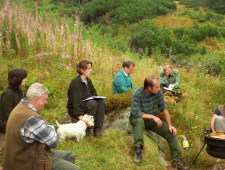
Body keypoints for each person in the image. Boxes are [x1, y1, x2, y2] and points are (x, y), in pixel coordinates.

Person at [3, 83, 80, 170]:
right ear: (36, 100)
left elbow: (46, 137)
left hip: (26, 153)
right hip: (28, 161)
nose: (46, 102)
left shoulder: (21, 107)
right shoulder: (30, 118)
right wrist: (48, 130)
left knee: (70, 155)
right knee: (75, 169)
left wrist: (44, 135)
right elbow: (53, 141)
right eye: (45, 99)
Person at [129, 75, 189, 170]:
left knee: (171, 133)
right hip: (137, 118)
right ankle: (138, 152)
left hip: (151, 121)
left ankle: (177, 160)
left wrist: (170, 126)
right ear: (149, 87)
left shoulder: (158, 92)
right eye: (156, 87)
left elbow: (164, 109)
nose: (159, 88)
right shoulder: (138, 93)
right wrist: (153, 117)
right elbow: (136, 113)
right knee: (139, 121)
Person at [67, 59, 106, 138]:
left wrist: (93, 98)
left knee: (102, 102)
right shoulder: (76, 82)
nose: (91, 70)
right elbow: (75, 101)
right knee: (93, 104)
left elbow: (94, 94)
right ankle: (87, 129)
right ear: (82, 70)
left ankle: (97, 128)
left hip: (86, 104)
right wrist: (79, 115)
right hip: (75, 109)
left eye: (91, 68)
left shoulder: (88, 81)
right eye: (88, 68)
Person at [0, 68, 27, 134]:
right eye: (24, 78)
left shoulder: (19, 91)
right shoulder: (8, 93)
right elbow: (8, 114)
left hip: (14, 119)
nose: (26, 80)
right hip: (5, 122)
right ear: (18, 79)